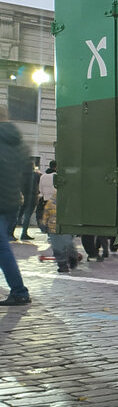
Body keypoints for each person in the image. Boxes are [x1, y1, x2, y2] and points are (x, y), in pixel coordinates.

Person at [0, 109, 31, 305]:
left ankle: (19, 291)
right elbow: (27, 173)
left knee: (2, 248)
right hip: (11, 202)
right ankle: (19, 291)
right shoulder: (19, 143)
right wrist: (27, 200)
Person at [16, 157, 39, 241]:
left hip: (23, 196)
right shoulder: (36, 175)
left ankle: (10, 232)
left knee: (18, 215)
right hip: (32, 197)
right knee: (27, 216)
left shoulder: (21, 174)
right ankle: (24, 233)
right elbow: (38, 184)